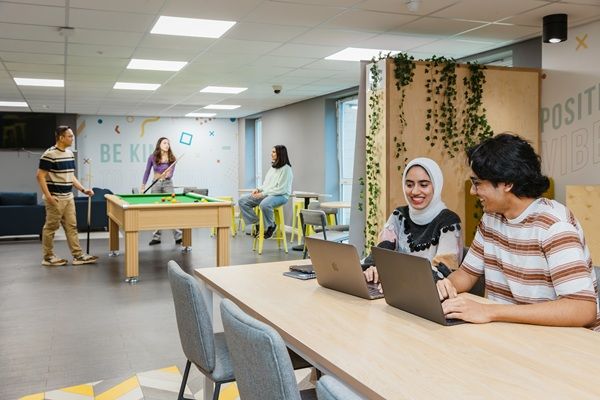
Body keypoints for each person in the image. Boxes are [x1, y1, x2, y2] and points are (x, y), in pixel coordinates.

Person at [437, 133, 600, 331]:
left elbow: (582, 308)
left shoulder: (554, 226)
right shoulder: (491, 219)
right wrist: (446, 285)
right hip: (513, 332)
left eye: (478, 183)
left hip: (564, 342)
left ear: (507, 183)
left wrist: (490, 311)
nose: (473, 191)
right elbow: (467, 274)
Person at [363, 157, 463, 292]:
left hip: (429, 297)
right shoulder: (399, 215)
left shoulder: (449, 222)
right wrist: (373, 268)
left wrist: (395, 277)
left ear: (437, 185)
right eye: (409, 185)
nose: (415, 191)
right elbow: (381, 251)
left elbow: (444, 271)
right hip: (395, 293)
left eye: (424, 185)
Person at [36, 126, 98, 266]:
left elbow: (71, 176)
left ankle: (78, 255)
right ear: (61, 137)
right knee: (51, 228)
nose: (72, 138)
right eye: (70, 136)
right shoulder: (49, 154)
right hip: (55, 198)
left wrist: (83, 189)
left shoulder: (70, 153)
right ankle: (48, 257)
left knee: (72, 227)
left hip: (68, 197)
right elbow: (40, 176)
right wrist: (49, 197)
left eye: (72, 136)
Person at [239, 145, 293, 239]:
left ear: (280, 153)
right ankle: (257, 223)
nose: (271, 154)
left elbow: (281, 189)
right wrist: (259, 189)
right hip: (268, 194)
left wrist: (263, 194)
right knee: (242, 201)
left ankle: (271, 225)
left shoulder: (286, 169)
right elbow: (266, 184)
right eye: (272, 152)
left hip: (281, 196)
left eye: (274, 152)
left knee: (264, 204)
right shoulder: (273, 168)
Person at [141, 137, 182, 246]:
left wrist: (167, 174)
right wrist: (143, 185)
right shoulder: (152, 157)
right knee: (155, 210)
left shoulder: (172, 158)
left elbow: (171, 174)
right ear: (159, 144)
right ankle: (156, 237)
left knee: (173, 209)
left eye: (168, 143)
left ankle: (178, 236)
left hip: (168, 184)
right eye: (164, 143)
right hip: (156, 184)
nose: (167, 145)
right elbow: (147, 171)